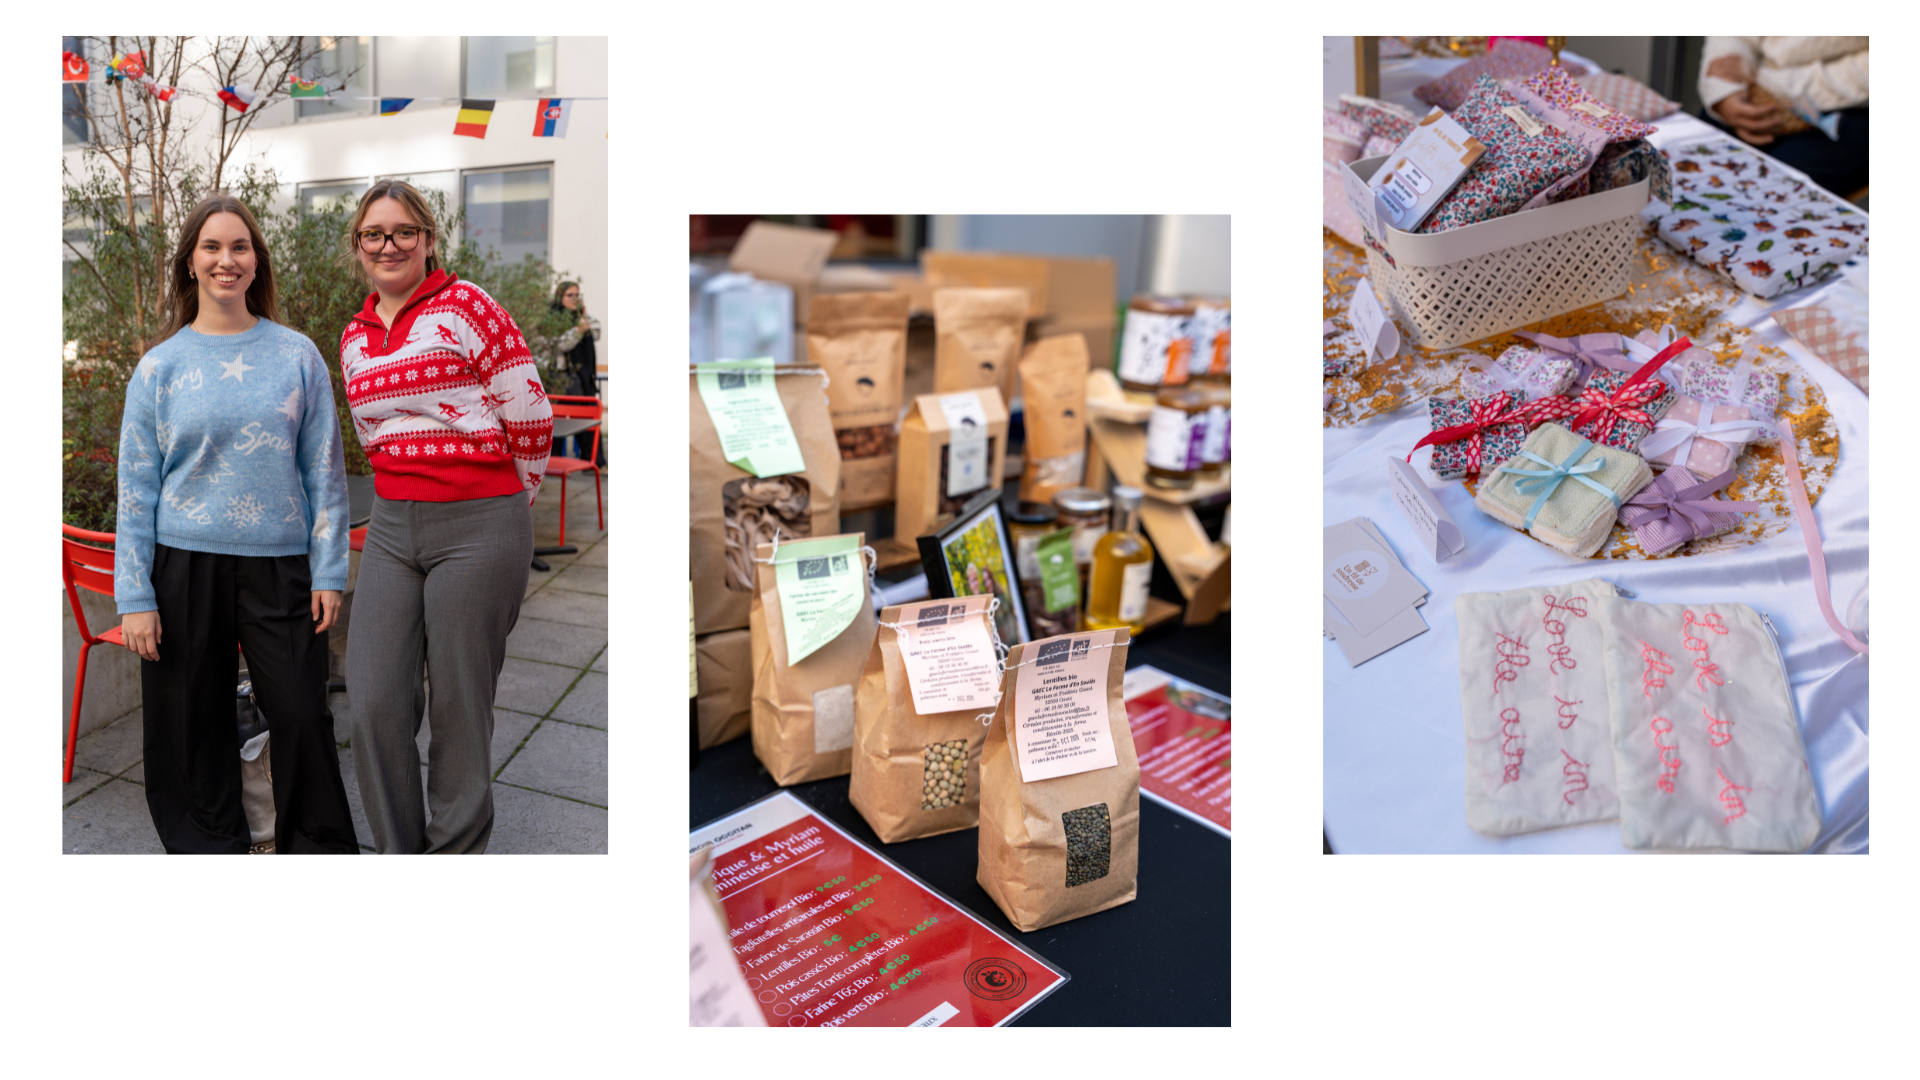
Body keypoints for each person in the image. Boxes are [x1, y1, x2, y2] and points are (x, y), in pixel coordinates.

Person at [114, 193, 357, 855]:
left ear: (258, 261)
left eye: (240, 246)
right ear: (191, 262)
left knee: (304, 713)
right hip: (182, 564)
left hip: (280, 563)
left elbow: (325, 472)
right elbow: (135, 488)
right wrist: (134, 596)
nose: (227, 259)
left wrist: (329, 569)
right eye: (213, 247)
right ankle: (206, 848)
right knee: (190, 721)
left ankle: (314, 847)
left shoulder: (297, 356)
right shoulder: (159, 368)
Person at [336, 179, 553, 854]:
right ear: (359, 248)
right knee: (372, 701)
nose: (388, 245)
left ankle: (454, 855)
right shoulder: (354, 337)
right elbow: (372, 438)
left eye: (403, 231)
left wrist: (504, 503)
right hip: (395, 525)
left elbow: (530, 414)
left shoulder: (467, 307)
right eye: (374, 234)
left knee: (461, 708)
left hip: (480, 521)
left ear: (429, 240)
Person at [1698, 36, 1868, 198]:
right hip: (1752, 78)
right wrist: (1724, 78)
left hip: (1852, 102)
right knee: (1691, 168)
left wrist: (1767, 81)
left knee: (1764, 192)